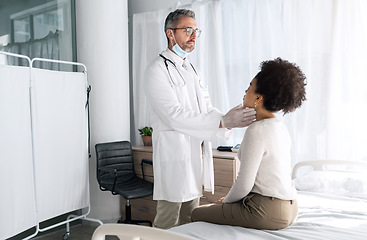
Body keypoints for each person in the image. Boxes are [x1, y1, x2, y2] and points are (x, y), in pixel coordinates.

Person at [144, 9, 256, 229]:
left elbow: (206, 108)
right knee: (167, 220)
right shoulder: (156, 69)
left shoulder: (193, 70)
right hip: (174, 156)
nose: (193, 36)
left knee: (190, 218)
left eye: (196, 31)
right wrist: (222, 122)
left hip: (195, 156)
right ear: (170, 33)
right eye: (188, 30)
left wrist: (226, 119)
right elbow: (173, 115)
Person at [191, 58, 307, 230]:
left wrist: (226, 202)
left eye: (249, 87)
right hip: (291, 207)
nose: (245, 91)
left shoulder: (257, 130)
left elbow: (244, 183)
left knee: (195, 213)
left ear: (258, 98)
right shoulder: (280, 127)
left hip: (268, 210)